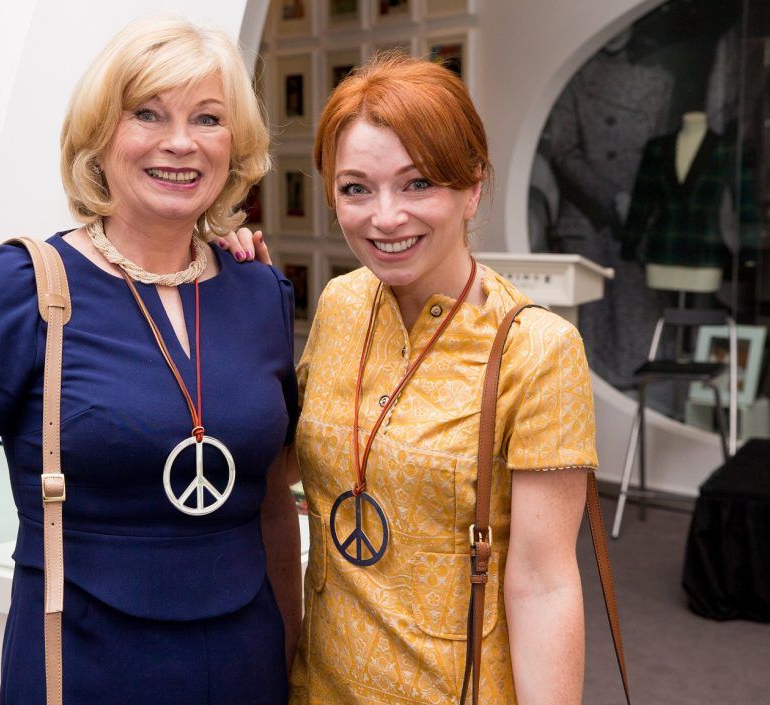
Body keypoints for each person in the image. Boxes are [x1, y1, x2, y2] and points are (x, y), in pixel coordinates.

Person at [0, 16, 300, 705]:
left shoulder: (261, 292)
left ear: (236, 145)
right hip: (81, 669)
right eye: (148, 114)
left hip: (246, 669)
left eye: (208, 118)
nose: (180, 142)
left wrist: (293, 659)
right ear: (101, 136)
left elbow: (273, 505)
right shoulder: (27, 286)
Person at [230, 53, 597, 705]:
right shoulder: (341, 306)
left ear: (472, 187)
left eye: (418, 183)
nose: (385, 217)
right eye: (356, 188)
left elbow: (545, 584)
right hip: (319, 685)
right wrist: (231, 303)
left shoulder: (536, 350)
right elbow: (283, 464)